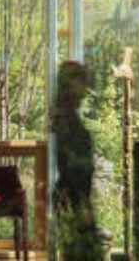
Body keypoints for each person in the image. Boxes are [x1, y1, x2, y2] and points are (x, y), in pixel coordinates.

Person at [51, 60, 105, 261]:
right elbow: (71, 167)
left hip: (73, 198)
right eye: (81, 83)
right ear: (70, 86)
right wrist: (82, 203)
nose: (85, 89)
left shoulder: (65, 118)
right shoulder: (66, 121)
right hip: (74, 199)